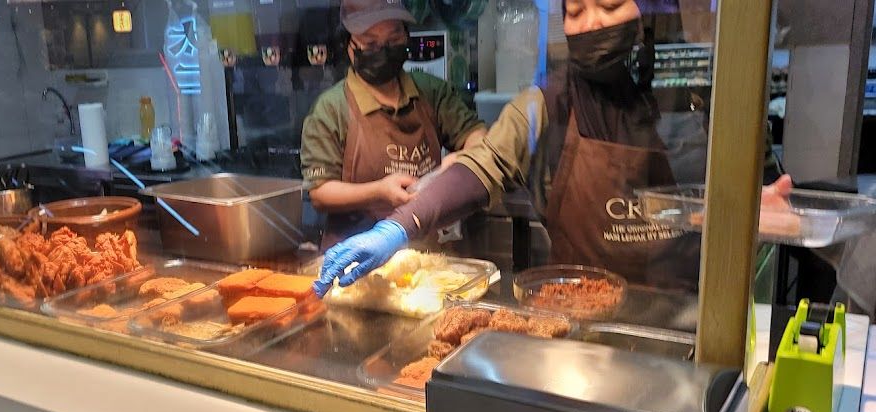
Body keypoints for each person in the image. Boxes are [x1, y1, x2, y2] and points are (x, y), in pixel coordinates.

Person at [315, 0, 792, 296]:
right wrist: (398, 228)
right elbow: (481, 166)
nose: (590, 24)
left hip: (686, 316)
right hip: (577, 311)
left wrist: (753, 208)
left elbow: (760, 194)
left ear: (647, 12)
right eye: (575, 10)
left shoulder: (696, 104)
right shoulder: (544, 106)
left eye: (609, 6)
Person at [299, 0, 487, 250]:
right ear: (349, 46)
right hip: (353, 256)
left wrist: (460, 160)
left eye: (394, 38)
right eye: (370, 42)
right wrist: (379, 191)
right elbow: (320, 193)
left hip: (424, 255)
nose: (384, 50)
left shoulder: (430, 91)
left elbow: (477, 135)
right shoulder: (331, 109)